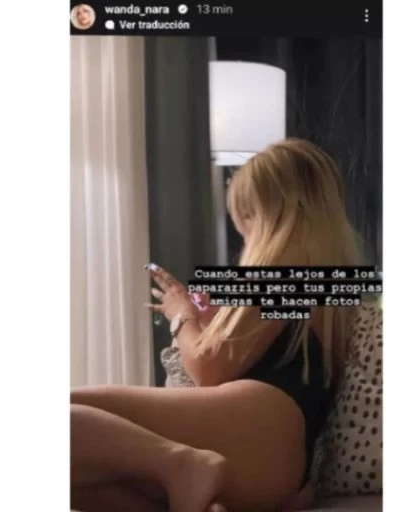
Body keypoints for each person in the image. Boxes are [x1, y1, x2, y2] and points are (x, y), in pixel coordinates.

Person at [71, 138, 365, 512]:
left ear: (262, 214)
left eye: (244, 218)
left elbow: (209, 368)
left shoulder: (279, 273)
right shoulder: (328, 282)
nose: (243, 232)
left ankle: (182, 465)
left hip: (259, 426)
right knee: (82, 479)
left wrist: (181, 315)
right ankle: (194, 491)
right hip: (279, 461)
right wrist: (216, 323)